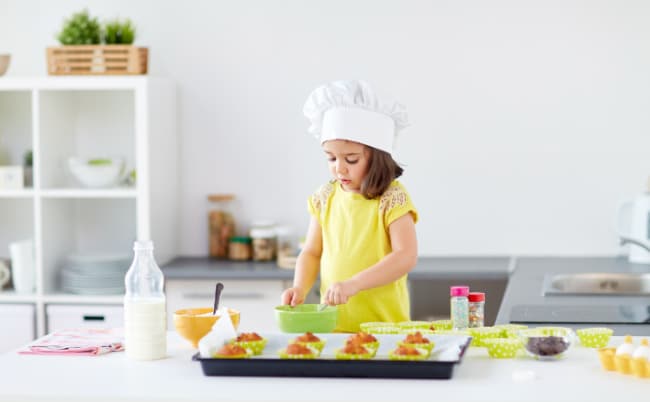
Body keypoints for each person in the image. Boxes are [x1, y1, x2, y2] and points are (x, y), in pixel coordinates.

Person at [281, 80, 418, 332]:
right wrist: (299, 287)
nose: (339, 168)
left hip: (385, 329)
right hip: (335, 327)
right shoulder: (325, 197)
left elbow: (405, 256)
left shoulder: (392, 198)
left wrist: (354, 283)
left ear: (377, 157)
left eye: (351, 159)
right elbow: (311, 251)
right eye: (331, 158)